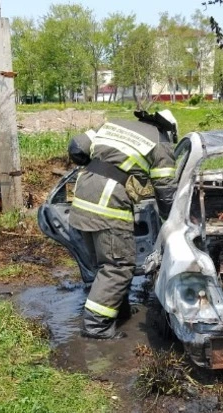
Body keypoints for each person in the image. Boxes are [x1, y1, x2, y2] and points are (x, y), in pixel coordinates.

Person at [67, 110, 178, 340]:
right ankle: (96, 327)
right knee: (118, 267)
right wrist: (173, 219)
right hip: (108, 204)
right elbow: (166, 189)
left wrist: (100, 167)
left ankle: (116, 311)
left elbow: (76, 147)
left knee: (104, 264)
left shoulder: (115, 125)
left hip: (82, 197)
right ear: (169, 129)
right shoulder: (160, 142)